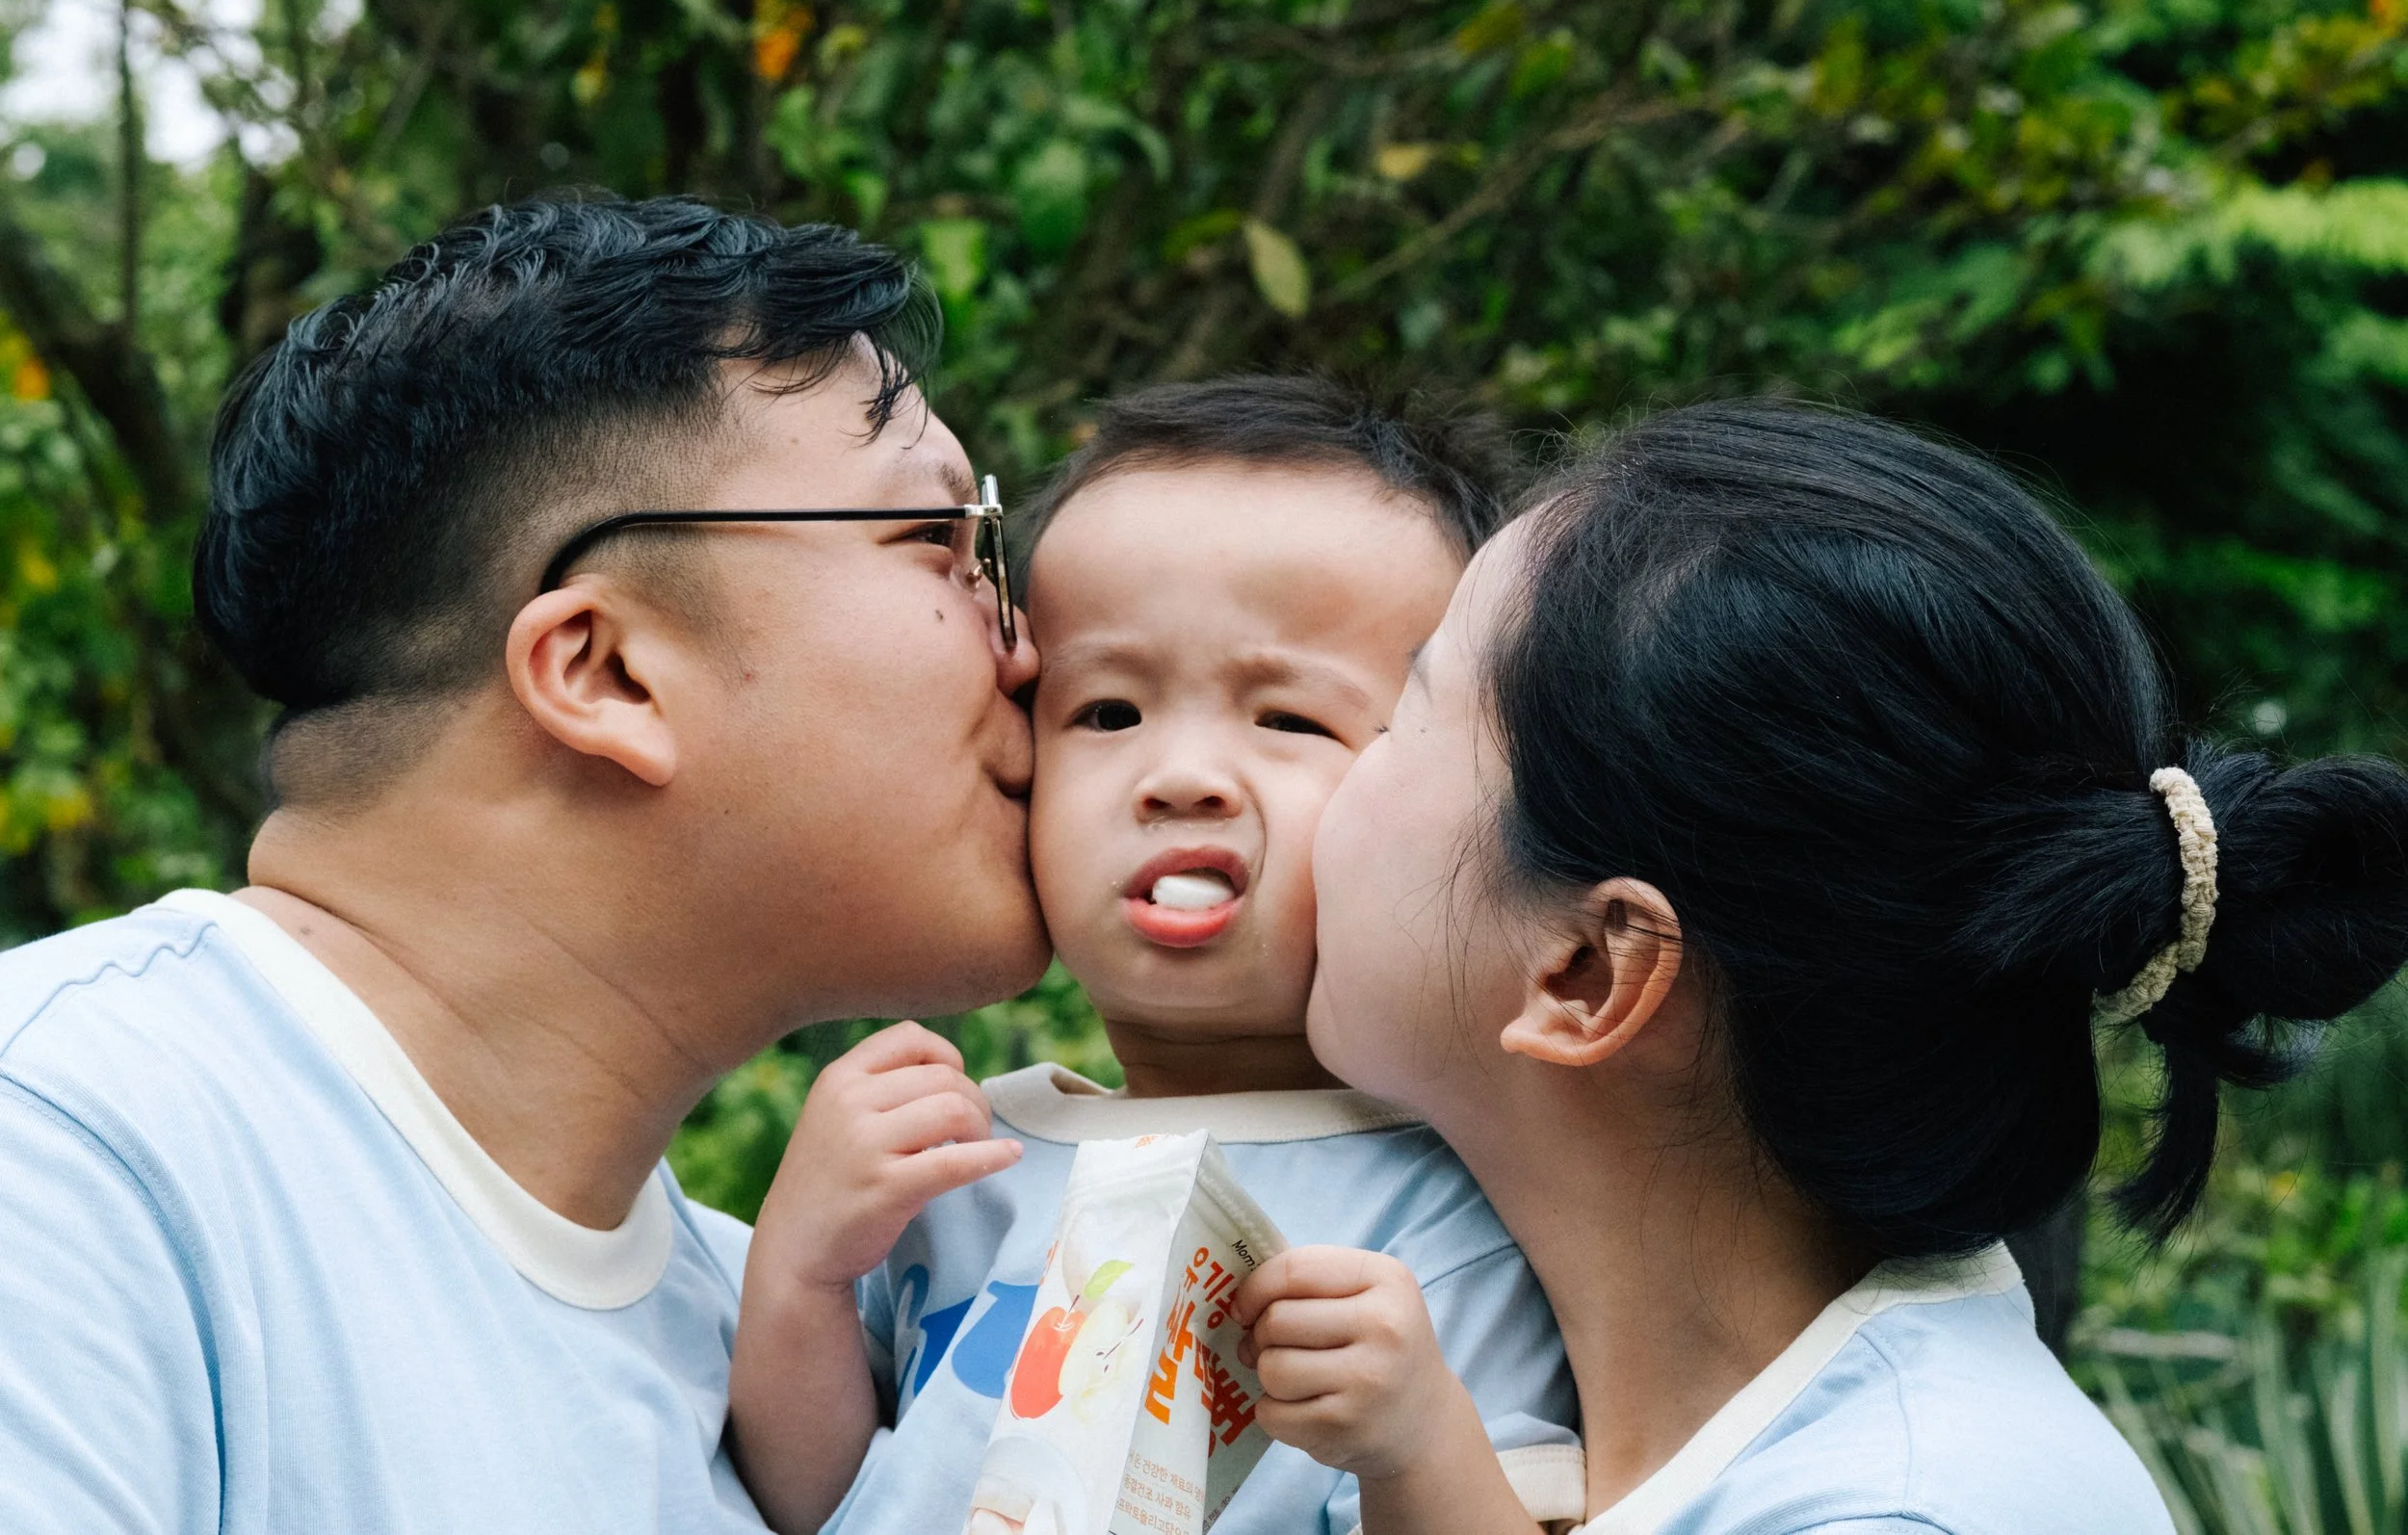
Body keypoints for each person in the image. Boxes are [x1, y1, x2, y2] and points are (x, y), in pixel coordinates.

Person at [0, 196, 1049, 1532]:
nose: (1026, 647)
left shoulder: (781, 1353)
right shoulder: (69, 1167)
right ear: (608, 670)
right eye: (939, 542)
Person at [1287, 399, 2408, 1533]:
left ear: (1584, 972)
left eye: (1400, 713)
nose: (1318, 779)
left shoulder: (1915, 1511)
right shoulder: (1464, 1390)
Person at [729, 377, 1583, 1535]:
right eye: (1109, 711)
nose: (1181, 773)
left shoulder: (1457, 1218)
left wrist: (1418, 1438)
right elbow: (815, 1501)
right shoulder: (954, 1160)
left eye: (1286, 719)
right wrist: (804, 1275)